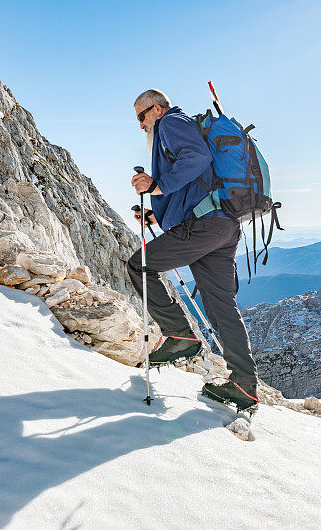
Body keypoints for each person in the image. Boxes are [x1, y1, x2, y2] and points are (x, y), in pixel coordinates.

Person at [126, 89, 259, 409]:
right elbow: (196, 180)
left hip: (205, 228)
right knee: (220, 305)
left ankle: (180, 336)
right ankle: (244, 384)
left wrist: (155, 186)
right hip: (222, 225)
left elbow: (195, 158)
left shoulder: (170, 123)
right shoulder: (179, 124)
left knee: (140, 265)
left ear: (155, 109)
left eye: (141, 117)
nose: (141, 125)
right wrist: (156, 212)